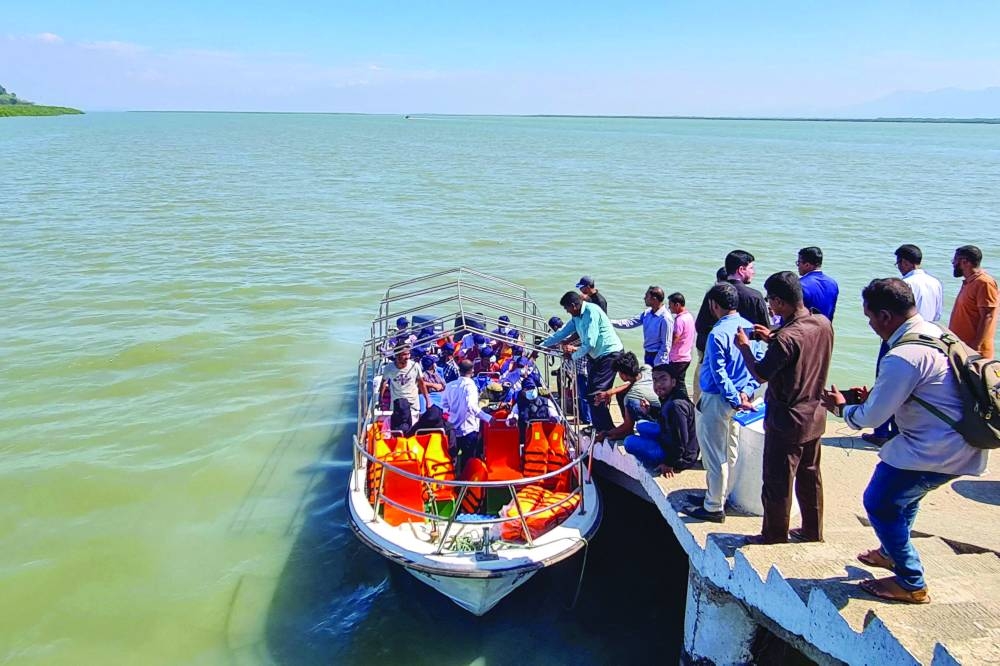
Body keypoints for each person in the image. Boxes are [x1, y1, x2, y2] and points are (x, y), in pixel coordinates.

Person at [821, 278, 988, 604]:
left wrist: (843, 408)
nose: (870, 325)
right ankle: (889, 551)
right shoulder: (937, 332)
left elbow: (870, 418)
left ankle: (911, 581)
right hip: (959, 439)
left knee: (880, 502)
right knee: (903, 499)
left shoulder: (903, 355)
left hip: (935, 449)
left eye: (870, 318)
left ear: (885, 316)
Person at [735, 271, 834, 544]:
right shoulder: (822, 323)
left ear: (779, 301)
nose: (769, 305)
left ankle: (773, 534)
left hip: (786, 420)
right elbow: (797, 346)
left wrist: (745, 347)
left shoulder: (786, 338)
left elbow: (761, 374)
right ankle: (813, 531)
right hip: (814, 413)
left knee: (778, 482)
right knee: (810, 477)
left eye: (770, 300)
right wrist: (772, 337)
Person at [682, 282, 764, 523]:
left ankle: (713, 506)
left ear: (713, 305)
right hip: (740, 399)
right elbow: (757, 364)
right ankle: (719, 495)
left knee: (714, 455)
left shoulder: (717, 333)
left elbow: (718, 373)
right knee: (731, 450)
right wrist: (745, 394)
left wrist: (733, 398)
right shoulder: (750, 328)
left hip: (718, 400)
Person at [542, 292, 624, 433]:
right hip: (595, 357)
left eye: (567, 308)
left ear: (574, 305)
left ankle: (606, 429)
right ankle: (599, 427)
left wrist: (573, 356)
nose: (567, 312)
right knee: (591, 393)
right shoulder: (576, 317)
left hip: (609, 354)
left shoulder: (591, 312)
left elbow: (590, 343)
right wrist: (542, 345)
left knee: (596, 393)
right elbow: (561, 334)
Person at [694, 252, 770, 402]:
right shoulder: (754, 296)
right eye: (751, 268)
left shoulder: (713, 294)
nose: (753, 272)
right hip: (745, 363)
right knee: (740, 414)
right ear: (741, 270)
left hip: (714, 358)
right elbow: (764, 330)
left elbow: (701, 326)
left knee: (704, 405)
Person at [620, 364, 699, 475]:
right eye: (655, 380)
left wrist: (669, 463)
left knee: (629, 442)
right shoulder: (671, 397)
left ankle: (657, 456)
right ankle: (653, 444)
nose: (658, 384)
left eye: (663, 379)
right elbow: (667, 419)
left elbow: (681, 441)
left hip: (682, 457)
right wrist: (650, 410)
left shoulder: (676, 406)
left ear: (673, 382)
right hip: (670, 441)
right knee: (641, 424)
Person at [593, 351, 662, 442]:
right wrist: (611, 392)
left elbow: (627, 426)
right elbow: (633, 382)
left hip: (660, 417)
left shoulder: (631, 396)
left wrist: (606, 433)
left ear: (623, 375)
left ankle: (636, 432)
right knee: (621, 393)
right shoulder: (647, 369)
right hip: (666, 408)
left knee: (631, 403)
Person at [441, 359, 494, 471]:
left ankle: (453, 483)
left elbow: (444, 405)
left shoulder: (450, 385)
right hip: (468, 429)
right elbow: (471, 406)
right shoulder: (471, 386)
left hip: (453, 429)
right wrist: (488, 418)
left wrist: (451, 416)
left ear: (459, 370)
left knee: (452, 459)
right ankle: (467, 486)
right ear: (472, 370)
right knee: (468, 461)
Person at [949, 245, 999, 359]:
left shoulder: (984, 283)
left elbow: (988, 316)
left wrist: (976, 346)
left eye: (955, 260)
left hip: (974, 352)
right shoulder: (970, 281)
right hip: (962, 348)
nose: (953, 264)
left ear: (965, 262)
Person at [612, 286, 673, 367]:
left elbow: (666, 345)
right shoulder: (647, 313)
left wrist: (658, 363)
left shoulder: (665, 318)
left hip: (658, 357)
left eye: (646, 296)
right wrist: (609, 322)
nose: (644, 298)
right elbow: (630, 322)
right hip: (648, 353)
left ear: (654, 299)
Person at [549, 315, 591, 426]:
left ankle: (585, 419)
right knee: (580, 393)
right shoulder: (571, 333)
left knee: (583, 395)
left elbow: (566, 348)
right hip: (576, 367)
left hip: (580, 368)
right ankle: (582, 416)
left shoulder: (566, 335)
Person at [380, 344, 431, 433]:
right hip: (397, 405)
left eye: (408, 354)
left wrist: (428, 401)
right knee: (397, 430)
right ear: (397, 355)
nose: (407, 357)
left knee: (413, 429)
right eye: (404, 355)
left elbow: (421, 384)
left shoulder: (415, 366)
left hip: (413, 404)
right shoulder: (389, 368)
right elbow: (383, 382)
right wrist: (380, 399)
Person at [895, 244, 943, 322]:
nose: (899, 268)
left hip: (911, 330)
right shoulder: (936, 282)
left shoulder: (904, 284)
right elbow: (938, 314)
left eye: (898, 264)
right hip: (930, 329)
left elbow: (900, 314)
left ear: (904, 262)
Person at [506, 378, 560, 444]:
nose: (531, 390)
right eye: (528, 389)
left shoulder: (546, 402)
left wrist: (554, 418)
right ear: (523, 391)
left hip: (545, 438)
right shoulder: (519, 404)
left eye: (532, 388)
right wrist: (512, 420)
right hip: (526, 440)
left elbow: (555, 415)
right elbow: (510, 418)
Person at [797, 246, 839, 321]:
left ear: (807, 265)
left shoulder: (799, 284)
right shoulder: (833, 284)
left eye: (798, 262)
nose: (798, 266)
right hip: (826, 329)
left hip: (805, 330)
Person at [668, 292, 695, 385]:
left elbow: (675, 337)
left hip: (677, 358)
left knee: (676, 384)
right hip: (686, 356)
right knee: (679, 383)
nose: (669, 308)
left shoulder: (679, 320)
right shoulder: (689, 316)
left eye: (670, 305)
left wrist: (666, 349)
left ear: (677, 305)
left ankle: (682, 399)